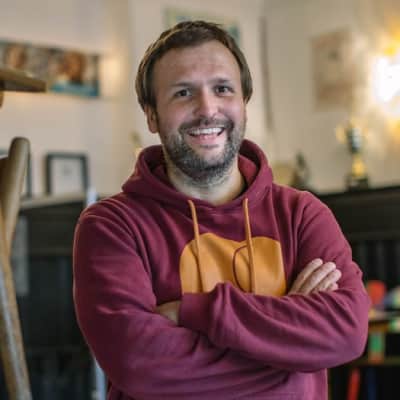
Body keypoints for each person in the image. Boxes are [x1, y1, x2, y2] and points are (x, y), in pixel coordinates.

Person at [73, 20, 370, 399]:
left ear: (244, 104)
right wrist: (292, 354)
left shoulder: (301, 214)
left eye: (223, 89)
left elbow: (346, 333)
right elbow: (138, 364)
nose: (207, 108)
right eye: (183, 93)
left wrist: (194, 312)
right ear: (151, 115)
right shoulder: (111, 225)